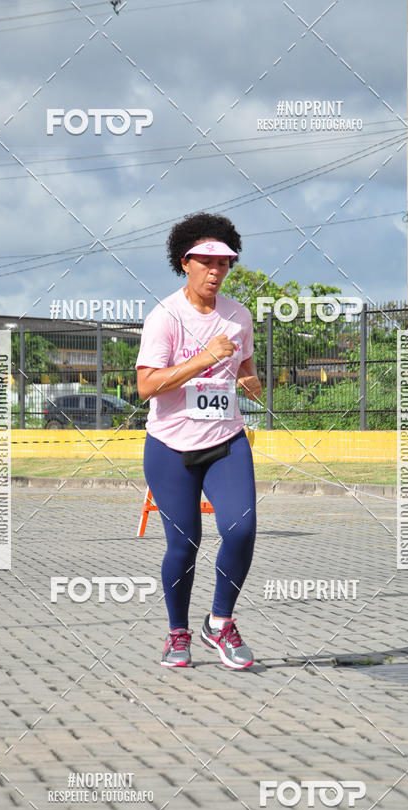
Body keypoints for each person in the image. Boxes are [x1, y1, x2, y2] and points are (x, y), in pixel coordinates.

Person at [135, 212, 262, 669]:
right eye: (207, 262)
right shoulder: (164, 317)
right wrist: (204, 359)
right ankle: (177, 634)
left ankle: (220, 623)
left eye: (224, 263)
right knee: (184, 543)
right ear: (185, 262)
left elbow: (245, 369)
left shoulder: (238, 316)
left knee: (241, 529)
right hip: (169, 445)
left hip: (225, 440)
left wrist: (250, 381)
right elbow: (147, 386)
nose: (216, 271)